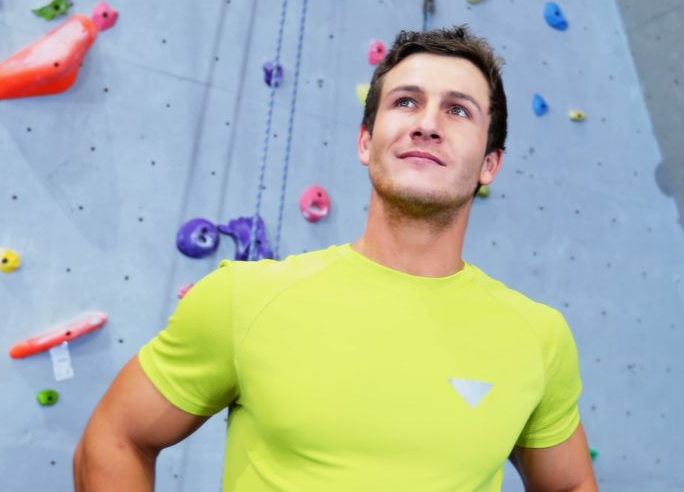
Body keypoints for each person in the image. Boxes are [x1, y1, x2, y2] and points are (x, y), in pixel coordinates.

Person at [74, 26, 597, 491]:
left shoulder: (538, 338)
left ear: (490, 164)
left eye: (458, 110)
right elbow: (115, 438)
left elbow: (570, 483)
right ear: (366, 142)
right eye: (406, 102)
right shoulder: (246, 299)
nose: (427, 124)